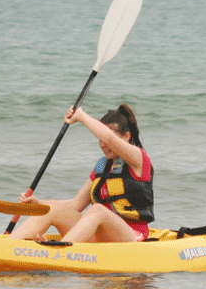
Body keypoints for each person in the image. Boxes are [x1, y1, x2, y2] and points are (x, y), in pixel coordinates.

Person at [10, 104, 153, 244]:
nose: (102, 144)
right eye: (99, 140)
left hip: (130, 235)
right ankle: (10, 246)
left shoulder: (138, 159)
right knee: (52, 208)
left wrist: (81, 116)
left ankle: (61, 253)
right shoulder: (102, 166)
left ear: (127, 136)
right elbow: (76, 204)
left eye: (104, 138)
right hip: (100, 235)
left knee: (98, 210)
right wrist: (39, 203)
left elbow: (110, 138)